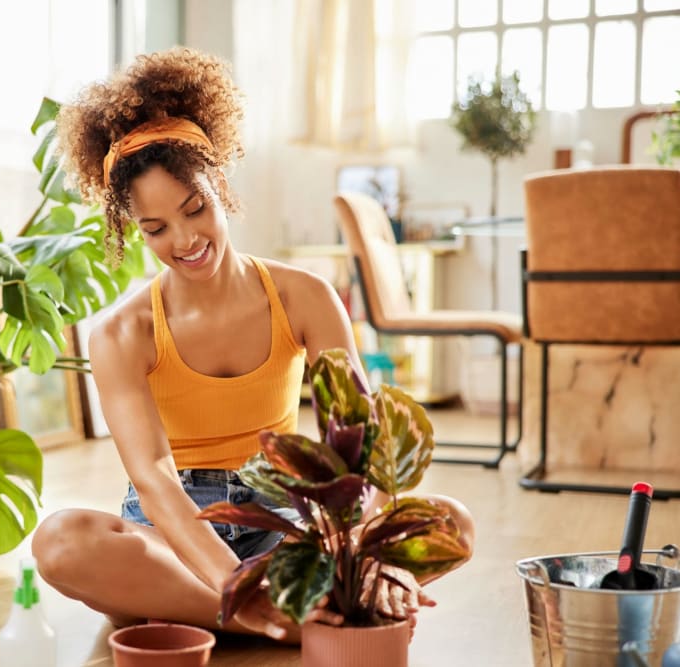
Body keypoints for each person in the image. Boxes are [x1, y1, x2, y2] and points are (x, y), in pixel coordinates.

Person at [31, 47, 474, 642]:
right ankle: (289, 618)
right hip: (173, 537)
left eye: (196, 208)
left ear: (220, 182)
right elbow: (156, 481)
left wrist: (358, 549)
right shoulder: (121, 333)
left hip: (283, 518)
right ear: (131, 227)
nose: (185, 240)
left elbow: (359, 443)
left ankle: (213, 614)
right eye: (155, 229)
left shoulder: (305, 297)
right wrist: (234, 583)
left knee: (452, 522)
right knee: (62, 541)